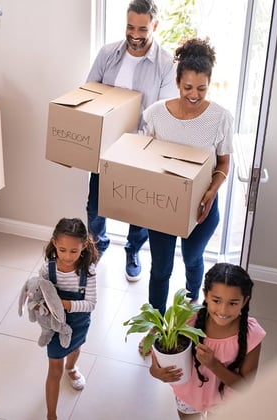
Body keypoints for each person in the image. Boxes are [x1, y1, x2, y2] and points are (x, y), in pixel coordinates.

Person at [86, 0, 178, 281]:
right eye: (129, 26)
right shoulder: (107, 54)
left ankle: (132, 249)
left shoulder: (165, 64)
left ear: (155, 26)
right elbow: (89, 93)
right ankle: (97, 245)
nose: (134, 34)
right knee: (95, 204)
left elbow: (162, 114)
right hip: (105, 146)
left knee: (138, 209)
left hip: (141, 149)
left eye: (142, 28)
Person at [141, 37, 233, 316]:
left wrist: (211, 192)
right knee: (161, 270)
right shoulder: (156, 114)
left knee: (193, 259)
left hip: (202, 206)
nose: (194, 95)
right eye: (188, 88)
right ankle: (155, 325)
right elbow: (143, 156)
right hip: (163, 206)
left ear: (209, 85)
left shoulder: (220, 118)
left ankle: (194, 303)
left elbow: (224, 162)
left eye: (201, 89)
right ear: (177, 82)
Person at [150, 263, 266, 419]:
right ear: (205, 295)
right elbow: (161, 355)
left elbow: (245, 386)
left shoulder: (252, 335)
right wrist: (156, 371)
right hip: (188, 395)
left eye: (232, 303)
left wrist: (214, 365)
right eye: (216, 300)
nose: (223, 310)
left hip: (225, 402)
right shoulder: (187, 319)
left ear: (244, 301)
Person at [39, 218, 98, 420]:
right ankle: (51, 415)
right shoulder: (48, 269)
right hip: (56, 325)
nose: (67, 256)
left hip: (79, 322)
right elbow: (40, 292)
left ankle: (71, 367)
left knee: (75, 347)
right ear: (54, 243)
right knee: (54, 369)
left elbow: (91, 304)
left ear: (84, 246)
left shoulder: (88, 272)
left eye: (74, 251)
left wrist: (66, 304)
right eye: (62, 250)